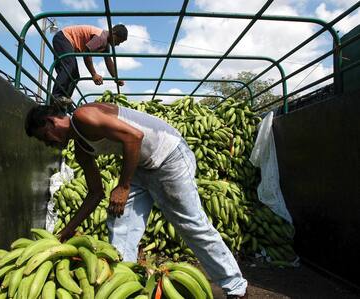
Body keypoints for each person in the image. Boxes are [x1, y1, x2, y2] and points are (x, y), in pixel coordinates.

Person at [24, 102, 248, 298]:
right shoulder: (82, 149)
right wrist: (66, 232)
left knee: (191, 224)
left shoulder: (84, 116)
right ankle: (127, 286)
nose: (49, 144)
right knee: (120, 225)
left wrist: (123, 186)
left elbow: (135, 136)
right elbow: (95, 194)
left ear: (51, 122)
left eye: (45, 137)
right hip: (140, 167)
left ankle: (235, 287)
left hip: (168, 155)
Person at [51, 24, 127, 104]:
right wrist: (94, 74)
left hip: (67, 41)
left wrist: (116, 77)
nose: (118, 44)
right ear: (113, 33)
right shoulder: (101, 38)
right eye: (118, 40)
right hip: (64, 37)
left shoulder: (106, 43)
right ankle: (57, 96)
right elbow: (87, 53)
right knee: (69, 66)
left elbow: (108, 60)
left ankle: (64, 100)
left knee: (75, 76)